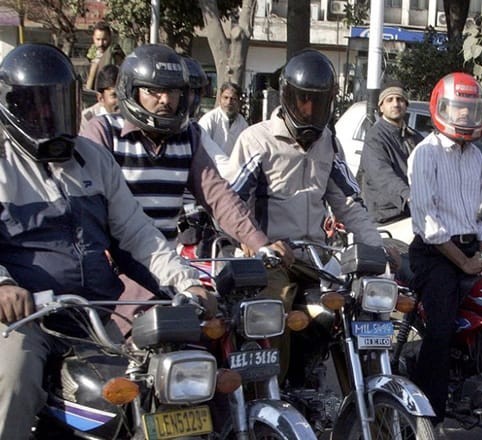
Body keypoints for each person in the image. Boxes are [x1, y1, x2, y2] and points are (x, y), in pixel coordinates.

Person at [0, 43, 215, 440]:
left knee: (154, 387)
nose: (49, 116)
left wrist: (188, 283)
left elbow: (137, 235)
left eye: (58, 103)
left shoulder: (93, 159)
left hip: (94, 315)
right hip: (24, 320)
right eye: (37, 106)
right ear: (13, 107)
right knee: (14, 382)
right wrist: (4, 285)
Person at [80, 44, 292, 331]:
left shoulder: (188, 136)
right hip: (115, 273)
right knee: (137, 351)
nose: (165, 100)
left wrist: (259, 243)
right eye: (153, 91)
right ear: (132, 91)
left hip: (166, 265)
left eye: (173, 91)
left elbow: (218, 194)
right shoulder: (103, 133)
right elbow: (86, 208)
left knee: (217, 334)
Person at [225, 49, 386, 383]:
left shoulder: (330, 142)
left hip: (314, 257)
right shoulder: (256, 140)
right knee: (276, 311)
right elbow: (230, 207)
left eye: (320, 102)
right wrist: (261, 244)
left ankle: (356, 394)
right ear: (287, 97)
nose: (311, 111)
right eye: (303, 101)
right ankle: (275, 393)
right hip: (267, 261)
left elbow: (348, 203)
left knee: (351, 306)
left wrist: (378, 247)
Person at [406, 72, 482, 427]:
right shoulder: (425, 153)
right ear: (441, 108)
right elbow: (427, 221)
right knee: (441, 331)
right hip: (436, 255)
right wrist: (465, 262)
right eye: (457, 109)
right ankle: (431, 418)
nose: (464, 117)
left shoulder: (476, 156)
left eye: (470, 110)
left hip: (473, 252)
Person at [357, 81, 423, 226]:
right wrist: (408, 196)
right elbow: (382, 175)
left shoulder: (415, 138)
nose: (396, 104)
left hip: (414, 214)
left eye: (400, 99)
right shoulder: (375, 137)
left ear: (406, 104)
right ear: (381, 106)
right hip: (387, 219)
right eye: (390, 100)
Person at [199, 82, 249, 157]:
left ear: (239, 101)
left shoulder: (242, 123)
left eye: (233, 99)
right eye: (225, 98)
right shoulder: (210, 119)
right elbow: (200, 145)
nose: (229, 102)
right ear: (220, 99)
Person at [85, 21, 125, 90]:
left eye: (104, 39)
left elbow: (122, 73)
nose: (101, 43)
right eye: (98, 39)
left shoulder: (114, 52)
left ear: (110, 38)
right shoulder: (92, 54)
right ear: (93, 38)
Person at [80, 64, 119, 129]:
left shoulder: (130, 117)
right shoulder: (87, 121)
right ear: (101, 98)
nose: (119, 101)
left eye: (122, 94)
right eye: (114, 95)